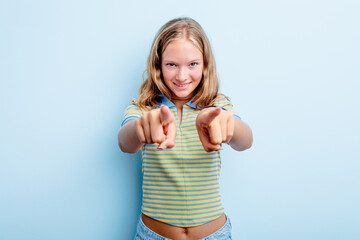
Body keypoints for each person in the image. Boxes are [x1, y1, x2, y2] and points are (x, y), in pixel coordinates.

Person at [118, 17, 253, 240]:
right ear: (158, 65)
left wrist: (229, 123)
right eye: (172, 65)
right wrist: (142, 128)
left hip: (214, 234)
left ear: (205, 65)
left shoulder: (218, 105)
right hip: (152, 235)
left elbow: (245, 141)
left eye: (192, 64)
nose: (182, 76)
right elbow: (125, 142)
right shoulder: (142, 108)